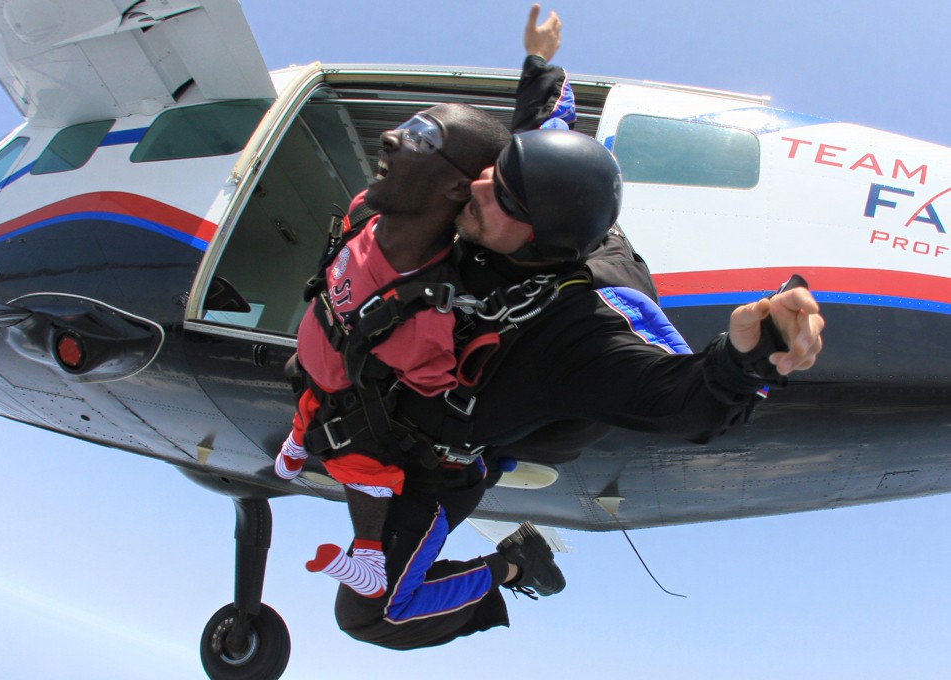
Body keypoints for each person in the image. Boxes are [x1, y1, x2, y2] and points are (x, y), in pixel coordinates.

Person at [334, 123, 823, 652]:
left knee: (372, 614)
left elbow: (689, 402)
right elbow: (543, 130)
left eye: (500, 194)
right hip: (397, 377)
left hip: (445, 455)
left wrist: (751, 360)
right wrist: (540, 64)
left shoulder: (578, 333)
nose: (473, 188)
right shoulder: (511, 210)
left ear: (534, 236)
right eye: (491, 174)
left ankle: (518, 565)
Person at [273, 103, 511, 598]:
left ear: (455, 190)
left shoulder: (424, 317)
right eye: (408, 126)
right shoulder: (364, 209)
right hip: (313, 363)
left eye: (424, 138)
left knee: (359, 462)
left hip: (342, 388)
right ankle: (295, 444)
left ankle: (369, 561)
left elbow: (430, 384)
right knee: (304, 385)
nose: (389, 136)